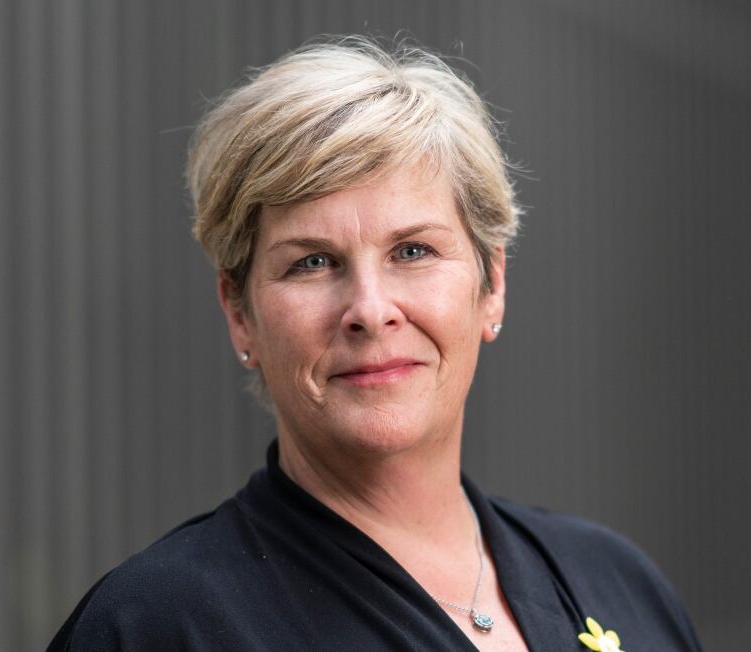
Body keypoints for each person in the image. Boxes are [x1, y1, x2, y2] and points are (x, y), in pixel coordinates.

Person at [48, 36, 701, 651]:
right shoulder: (158, 625)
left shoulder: (618, 583)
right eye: (312, 262)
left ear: (492, 284)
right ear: (240, 314)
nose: (369, 310)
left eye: (413, 250)